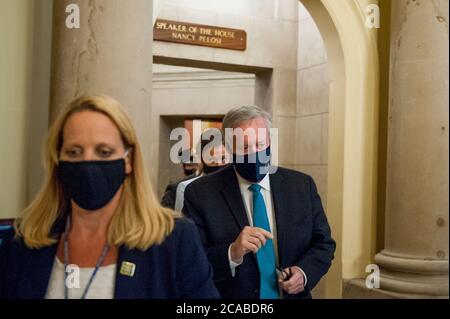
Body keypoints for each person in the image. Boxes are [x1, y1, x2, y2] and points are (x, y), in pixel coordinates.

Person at [0, 95, 219, 299]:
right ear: (58, 161)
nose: (88, 163)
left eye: (104, 152)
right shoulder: (23, 241)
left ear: (128, 160)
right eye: (74, 152)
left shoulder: (173, 241)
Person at [183, 106, 336, 299]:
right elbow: (189, 259)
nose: (255, 153)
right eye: (245, 148)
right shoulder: (200, 194)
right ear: (229, 148)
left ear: (270, 141)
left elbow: (323, 243)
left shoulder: (301, 186)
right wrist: (232, 252)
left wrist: (304, 273)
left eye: (261, 144)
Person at [174, 128, 230, 212]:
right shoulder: (186, 188)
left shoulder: (239, 186)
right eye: (211, 159)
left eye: (223, 158)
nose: (218, 164)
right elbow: (182, 223)